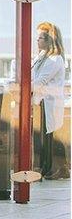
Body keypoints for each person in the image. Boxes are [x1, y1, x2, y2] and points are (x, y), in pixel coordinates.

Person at [33, 22, 68, 180]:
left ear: (49, 40)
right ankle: (48, 168)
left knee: (53, 135)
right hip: (43, 102)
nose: (37, 40)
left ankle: (61, 168)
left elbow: (40, 81)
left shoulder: (54, 59)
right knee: (46, 137)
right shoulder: (42, 57)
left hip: (51, 103)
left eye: (40, 38)